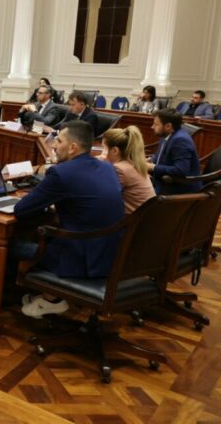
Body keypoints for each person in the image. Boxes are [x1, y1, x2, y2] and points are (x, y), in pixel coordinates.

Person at [12, 121, 125, 318]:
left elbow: (21, 210)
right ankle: (47, 295)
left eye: (59, 141)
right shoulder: (107, 168)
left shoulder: (61, 173)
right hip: (111, 256)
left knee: (14, 243)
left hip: (79, 258)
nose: (54, 145)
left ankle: (48, 298)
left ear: (72, 147)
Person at [100, 126, 155, 213]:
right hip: (148, 216)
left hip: (134, 219)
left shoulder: (120, 169)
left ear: (115, 150)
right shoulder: (133, 163)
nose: (101, 153)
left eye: (104, 148)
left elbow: (101, 194)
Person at [147, 108, 201, 195]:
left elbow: (181, 170)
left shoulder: (180, 140)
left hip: (177, 188)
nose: (152, 127)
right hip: (162, 181)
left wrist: (153, 167)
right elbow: (160, 154)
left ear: (168, 126)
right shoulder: (166, 134)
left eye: (156, 124)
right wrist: (150, 159)